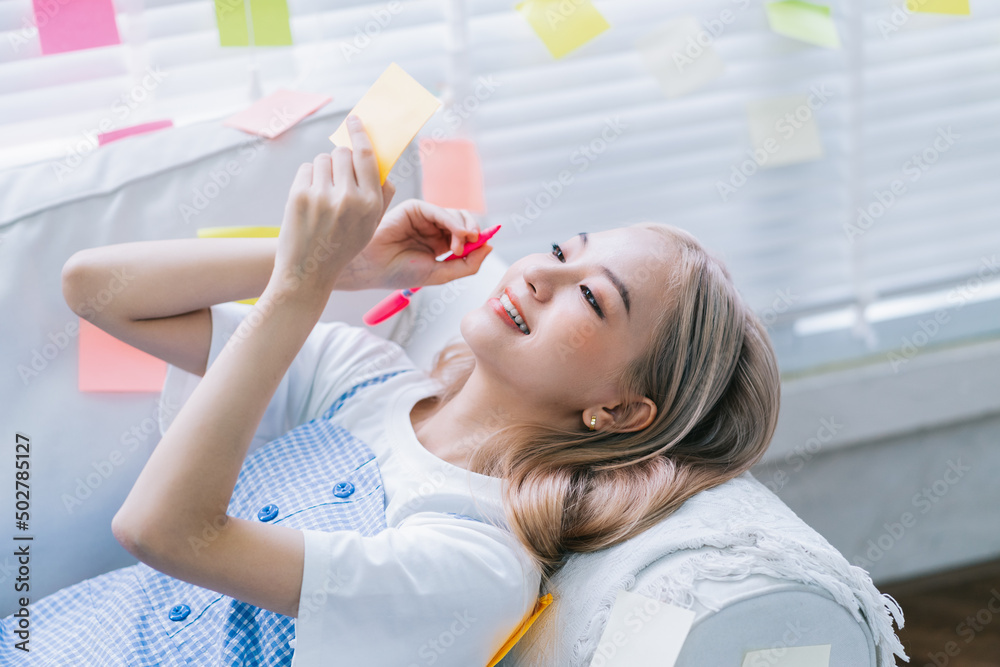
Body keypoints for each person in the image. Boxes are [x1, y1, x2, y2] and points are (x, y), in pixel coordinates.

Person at [1, 114, 780, 665]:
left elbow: (162, 532)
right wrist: (344, 270)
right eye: (558, 251)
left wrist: (304, 286)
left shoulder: (472, 558)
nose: (538, 272)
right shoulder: (362, 378)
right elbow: (98, 288)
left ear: (617, 410)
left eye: (591, 297)